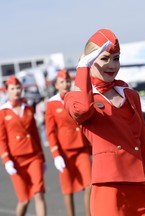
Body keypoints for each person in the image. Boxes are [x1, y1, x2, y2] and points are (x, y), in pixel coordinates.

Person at [64, 28, 145, 216]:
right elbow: (83, 109)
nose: (111, 65)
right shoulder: (75, 98)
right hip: (108, 189)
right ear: (90, 60)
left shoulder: (130, 95)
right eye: (104, 59)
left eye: (116, 58)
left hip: (139, 187)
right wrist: (83, 67)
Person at [45, 69, 92, 216]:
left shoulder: (77, 98)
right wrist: (55, 154)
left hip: (82, 148)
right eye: (61, 82)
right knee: (68, 189)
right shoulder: (52, 104)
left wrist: (91, 148)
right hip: (64, 152)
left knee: (90, 184)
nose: (65, 84)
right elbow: (50, 131)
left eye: (67, 81)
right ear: (56, 85)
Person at [0, 75, 47, 216]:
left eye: (18, 88)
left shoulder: (27, 108)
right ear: (6, 91)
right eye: (13, 88)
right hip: (16, 160)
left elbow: (35, 135)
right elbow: (2, 139)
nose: (16, 91)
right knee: (24, 199)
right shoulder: (3, 112)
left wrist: (42, 157)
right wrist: (6, 160)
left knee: (39, 193)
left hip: (33, 156)